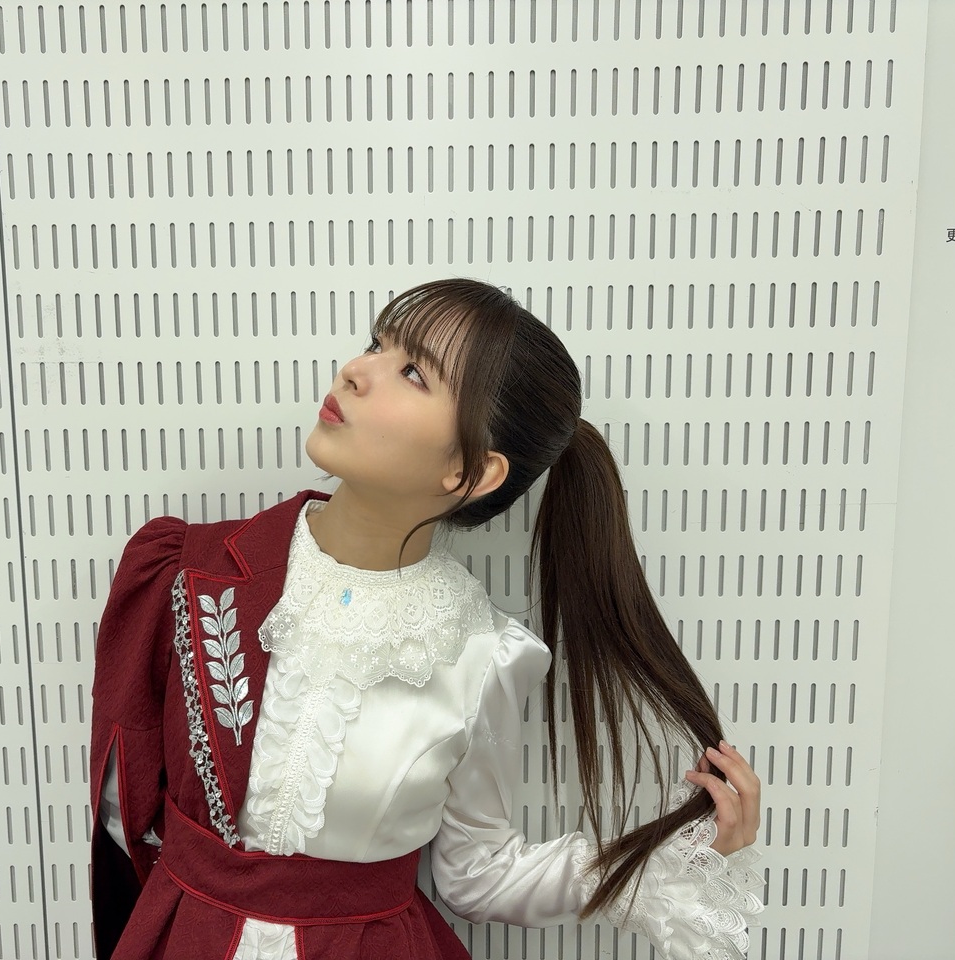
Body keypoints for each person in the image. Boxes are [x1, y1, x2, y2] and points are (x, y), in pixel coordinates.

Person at [89, 278, 764, 960]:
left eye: (413, 372)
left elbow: (477, 874)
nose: (355, 371)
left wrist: (648, 867)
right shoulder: (183, 570)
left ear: (470, 470)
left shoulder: (481, 654)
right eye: (375, 344)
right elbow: (122, 818)